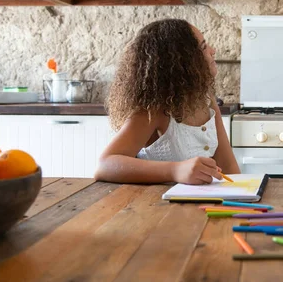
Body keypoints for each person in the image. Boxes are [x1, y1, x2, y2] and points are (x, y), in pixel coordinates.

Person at [96, 19, 240, 185]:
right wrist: (175, 170)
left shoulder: (205, 99)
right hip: (157, 207)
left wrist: (241, 195)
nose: (213, 51)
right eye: (203, 47)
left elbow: (228, 165)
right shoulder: (154, 110)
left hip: (199, 205)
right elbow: (105, 164)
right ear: (181, 61)